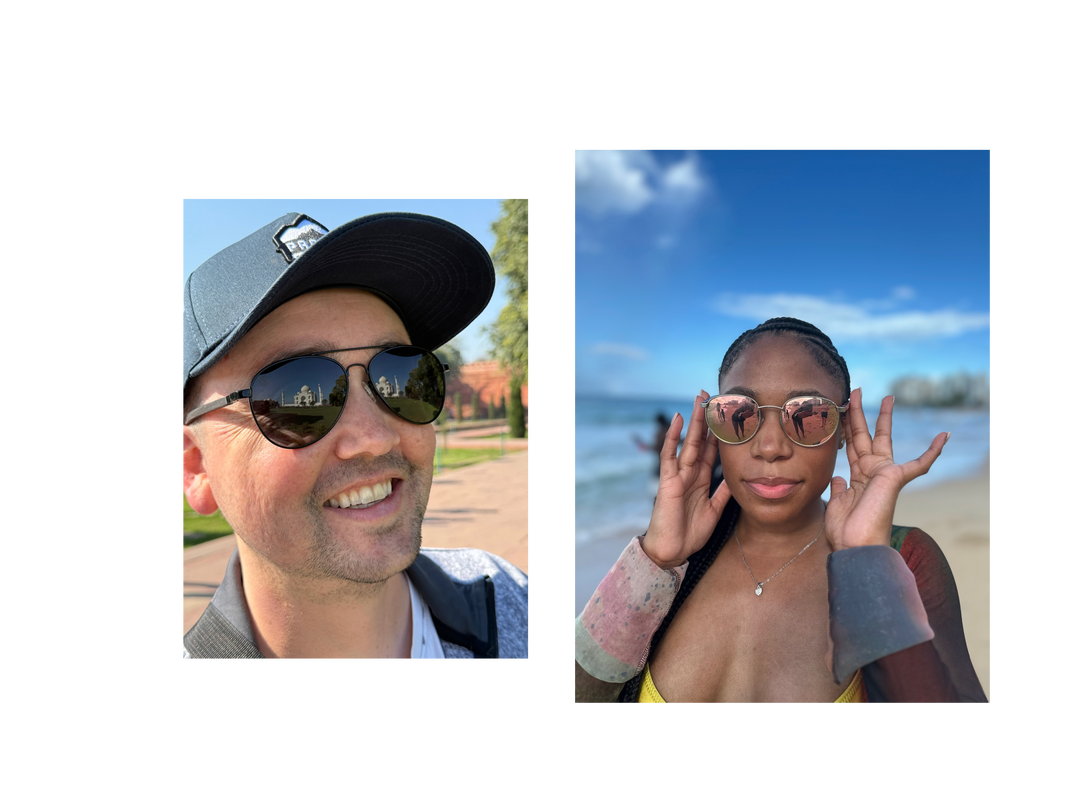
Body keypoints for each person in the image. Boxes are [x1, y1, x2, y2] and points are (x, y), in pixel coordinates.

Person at [572, 317, 986, 704]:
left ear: (844, 431)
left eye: (809, 415)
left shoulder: (904, 559)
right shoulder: (670, 562)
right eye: (739, 414)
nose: (770, 447)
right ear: (713, 425)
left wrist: (867, 564)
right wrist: (653, 562)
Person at [181, 212, 531, 661]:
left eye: (401, 376)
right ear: (194, 466)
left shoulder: (513, 599)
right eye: (296, 397)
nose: (374, 438)